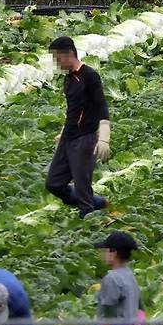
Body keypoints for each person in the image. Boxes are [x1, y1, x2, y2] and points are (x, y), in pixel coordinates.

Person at [45, 36, 111, 219]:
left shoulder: (89, 76)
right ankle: (97, 202)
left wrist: (104, 138)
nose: (56, 63)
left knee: (82, 189)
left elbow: (102, 107)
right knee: (53, 183)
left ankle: (88, 220)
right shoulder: (68, 80)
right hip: (68, 138)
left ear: (69, 54)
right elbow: (73, 110)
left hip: (84, 139)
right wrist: (62, 133)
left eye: (57, 59)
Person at [91, 231, 145, 325]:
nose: (102, 253)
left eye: (105, 250)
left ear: (113, 252)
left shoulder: (112, 278)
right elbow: (141, 310)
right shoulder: (130, 276)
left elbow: (108, 320)